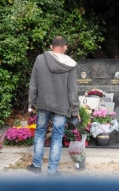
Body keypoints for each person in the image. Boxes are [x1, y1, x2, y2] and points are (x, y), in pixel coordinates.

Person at [27, 36, 80, 175]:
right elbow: (72, 89)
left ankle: (36, 166)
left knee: (39, 133)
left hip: (43, 103)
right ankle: (52, 171)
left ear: (51, 47)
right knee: (57, 137)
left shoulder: (40, 59)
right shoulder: (71, 64)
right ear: (65, 47)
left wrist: (31, 103)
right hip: (62, 107)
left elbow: (33, 83)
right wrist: (75, 110)